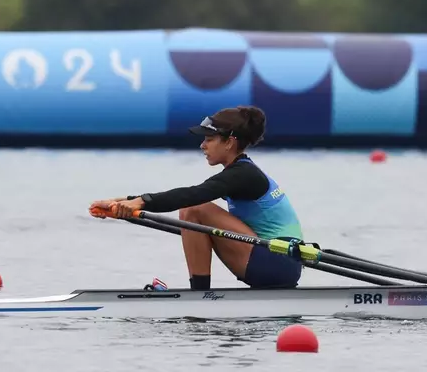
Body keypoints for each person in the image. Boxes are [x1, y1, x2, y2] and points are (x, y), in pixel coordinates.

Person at [89, 105, 304, 290]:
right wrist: (120, 202)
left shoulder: (244, 175)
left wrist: (140, 201)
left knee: (194, 209)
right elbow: (189, 195)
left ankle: (200, 295)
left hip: (279, 261)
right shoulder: (239, 173)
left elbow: (193, 195)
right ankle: (200, 294)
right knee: (193, 212)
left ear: (229, 142)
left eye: (209, 139)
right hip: (277, 261)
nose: (202, 145)